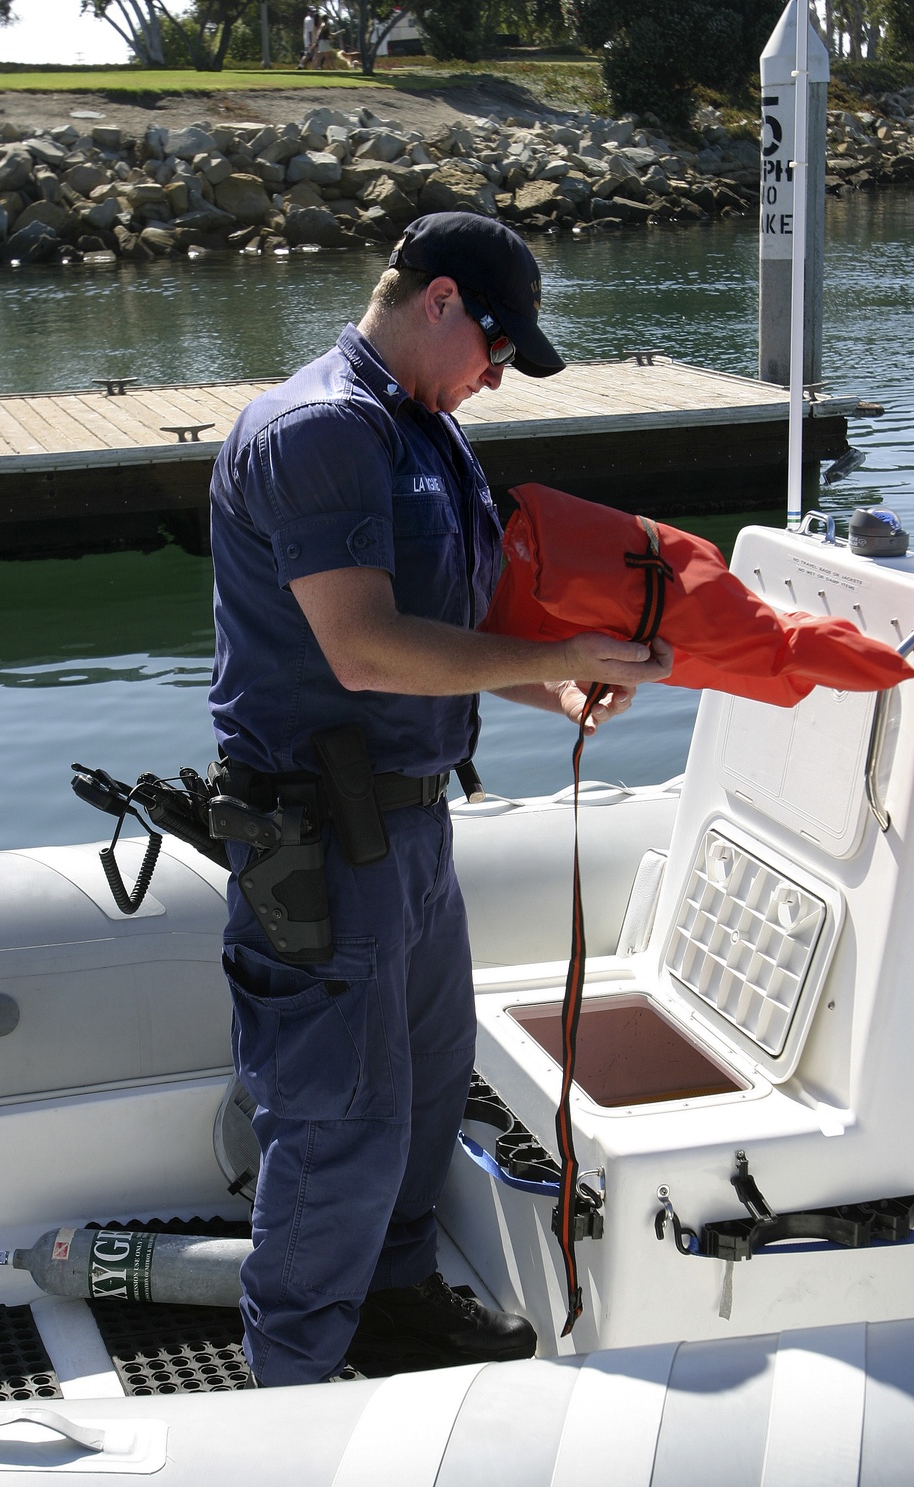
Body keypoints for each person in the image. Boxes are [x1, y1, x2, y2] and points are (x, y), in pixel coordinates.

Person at [209, 210, 673, 1388]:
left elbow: (444, 632)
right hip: (319, 841)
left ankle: (395, 1305)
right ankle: (288, 1381)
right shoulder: (321, 429)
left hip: (409, 826)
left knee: (420, 1094)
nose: (498, 374)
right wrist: (553, 656)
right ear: (441, 301)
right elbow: (364, 649)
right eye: (498, 345)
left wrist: (550, 686)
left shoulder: (427, 431)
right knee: (337, 1122)